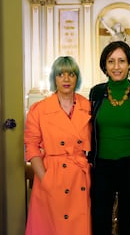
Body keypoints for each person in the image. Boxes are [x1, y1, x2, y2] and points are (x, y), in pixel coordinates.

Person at [24, 56, 92, 235]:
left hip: (78, 178)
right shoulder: (39, 109)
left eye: (71, 74)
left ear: (77, 78)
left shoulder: (88, 106)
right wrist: (45, 179)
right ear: (54, 77)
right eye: (61, 74)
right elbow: (31, 147)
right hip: (51, 175)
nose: (66, 79)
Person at [89, 41, 130, 235]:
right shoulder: (96, 92)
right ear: (104, 65)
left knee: (127, 219)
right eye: (111, 61)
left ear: (129, 64)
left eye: (121, 61)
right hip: (101, 166)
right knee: (99, 218)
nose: (116, 66)